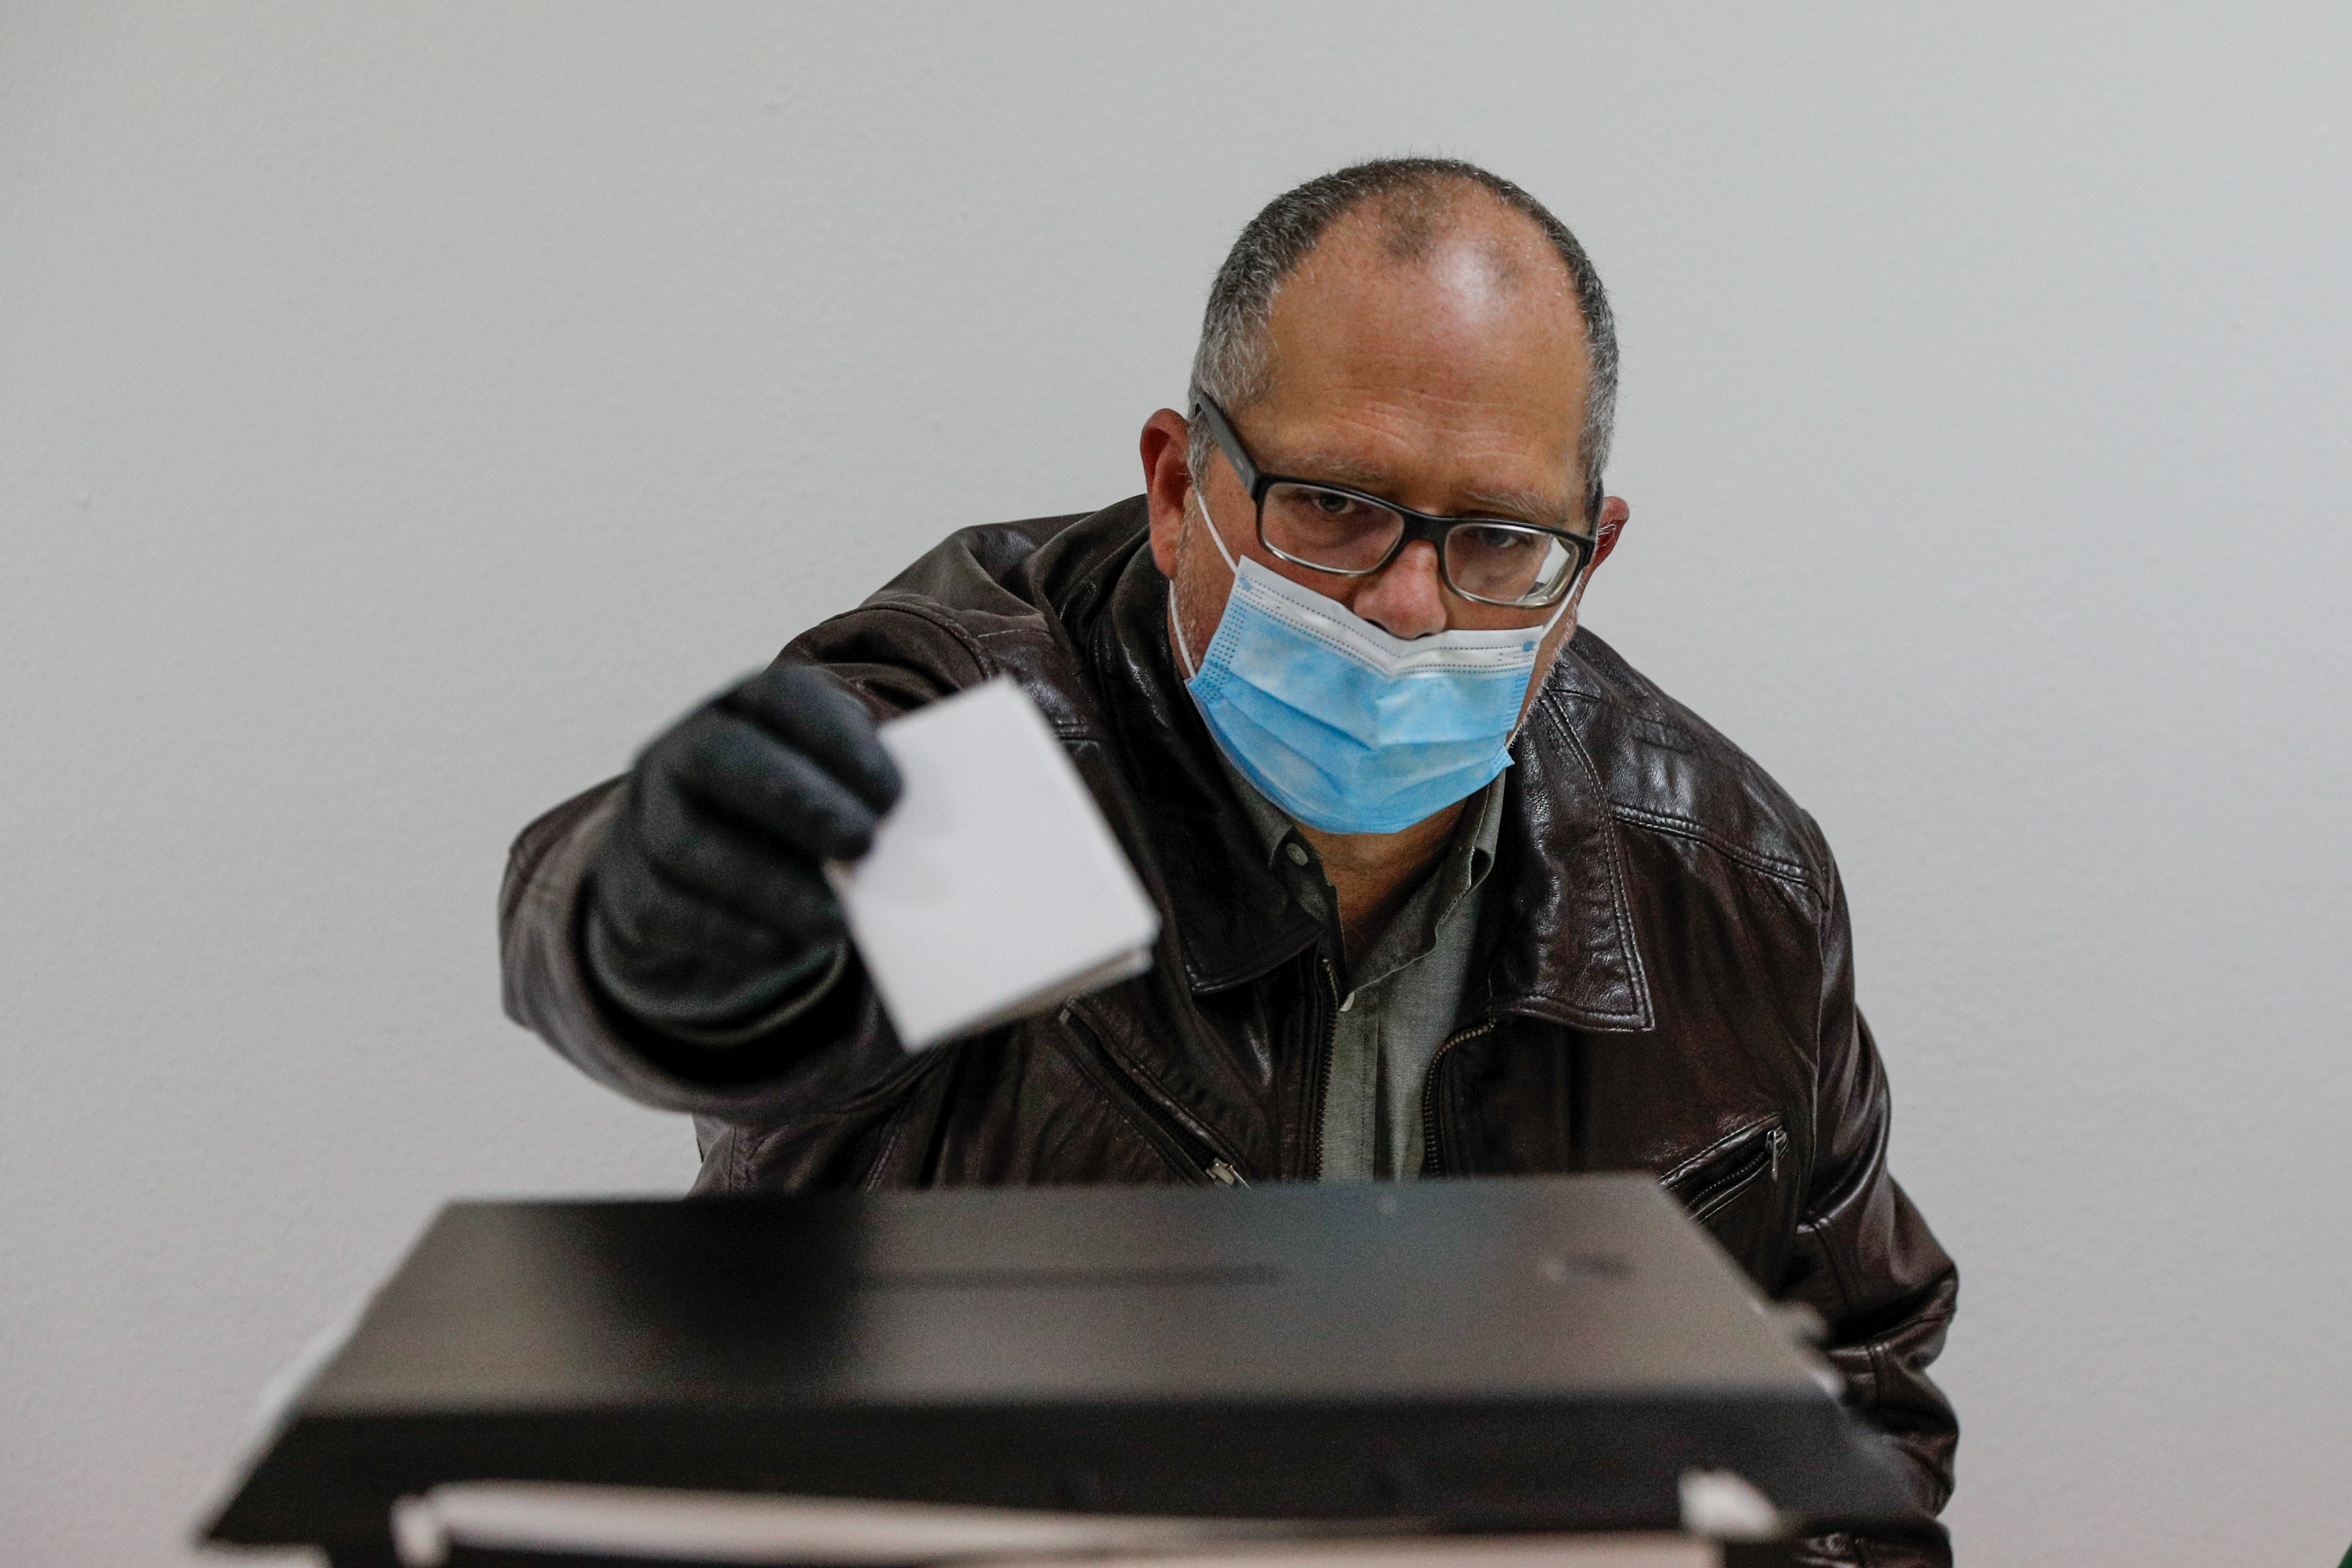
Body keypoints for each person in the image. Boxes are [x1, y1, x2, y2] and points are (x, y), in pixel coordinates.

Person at [501, 158, 1957, 1566]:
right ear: (1174, 483)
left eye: (1499, 541)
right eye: (1333, 505)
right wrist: (648, 922)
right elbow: (663, 959)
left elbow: (1855, 1401)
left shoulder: (1724, 886)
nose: (1408, 604)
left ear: (1588, 561)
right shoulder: (983, 758)